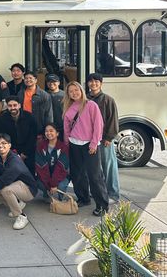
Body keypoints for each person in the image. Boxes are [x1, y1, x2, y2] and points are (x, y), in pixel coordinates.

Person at [63, 81, 109, 216]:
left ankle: (102, 205)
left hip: (89, 145)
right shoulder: (68, 106)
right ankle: (83, 198)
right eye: (71, 91)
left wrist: (94, 143)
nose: (74, 93)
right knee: (77, 175)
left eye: (76, 90)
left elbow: (98, 126)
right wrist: (66, 142)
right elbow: (66, 127)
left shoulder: (91, 105)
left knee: (95, 176)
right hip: (73, 144)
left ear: (81, 90)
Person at [0, 133, 37, 230]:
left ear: (9, 145)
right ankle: (18, 204)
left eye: (4, 143)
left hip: (28, 189)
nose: (1, 145)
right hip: (14, 185)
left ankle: (21, 216)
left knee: (5, 190)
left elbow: (3, 181)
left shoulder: (14, 160)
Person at [86, 73, 120, 203]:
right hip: (89, 139)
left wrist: (109, 137)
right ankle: (96, 191)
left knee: (109, 166)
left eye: (96, 81)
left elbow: (113, 120)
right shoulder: (85, 99)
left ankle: (113, 194)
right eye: (91, 81)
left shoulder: (108, 100)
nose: (93, 84)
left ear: (101, 83)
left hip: (104, 139)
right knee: (94, 168)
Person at [0, 95, 38, 176]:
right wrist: (13, 152)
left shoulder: (29, 117)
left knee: (29, 175)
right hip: (12, 150)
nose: (12, 108)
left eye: (15, 105)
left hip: (29, 150)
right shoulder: (2, 119)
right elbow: (3, 136)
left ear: (19, 105)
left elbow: (33, 137)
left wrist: (25, 153)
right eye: (10, 106)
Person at [35, 123, 70, 200]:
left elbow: (61, 168)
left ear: (57, 133)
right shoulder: (41, 146)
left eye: (51, 131)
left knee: (61, 185)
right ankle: (46, 194)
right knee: (38, 182)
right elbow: (41, 167)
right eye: (46, 131)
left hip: (61, 176)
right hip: (47, 176)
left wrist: (54, 184)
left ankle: (61, 198)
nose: (48, 133)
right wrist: (49, 185)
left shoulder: (63, 147)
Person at [18, 71, 53, 135]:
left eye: (30, 78)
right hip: (23, 126)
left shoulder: (44, 95)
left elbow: (48, 114)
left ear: (36, 80)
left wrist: (48, 130)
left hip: (39, 128)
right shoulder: (20, 93)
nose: (28, 80)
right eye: (26, 78)